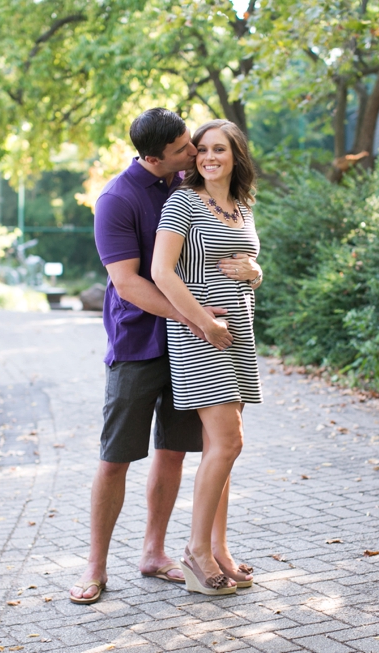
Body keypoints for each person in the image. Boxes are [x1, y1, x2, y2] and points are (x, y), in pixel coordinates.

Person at [70, 109, 260, 604]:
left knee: (175, 452)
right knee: (116, 457)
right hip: (141, 343)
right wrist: (196, 318)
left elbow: (228, 243)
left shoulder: (190, 180)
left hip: (200, 341)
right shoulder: (117, 200)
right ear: (153, 157)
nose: (194, 154)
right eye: (184, 149)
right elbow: (129, 283)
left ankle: (155, 552)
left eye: (193, 145)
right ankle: (95, 567)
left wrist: (252, 271)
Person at [151, 119, 263, 595]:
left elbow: (245, 264)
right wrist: (203, 320)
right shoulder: (183, 203)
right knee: (227, 443)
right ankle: (197, 553)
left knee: (224, 450)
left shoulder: (241, 206)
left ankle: (219, 550)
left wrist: (256, 273)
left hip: (238, 336)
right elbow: (161, 271)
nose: (208, 157)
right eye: (202, 150)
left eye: (219, 149)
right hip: (202, 335)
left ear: (236, 154)